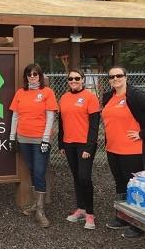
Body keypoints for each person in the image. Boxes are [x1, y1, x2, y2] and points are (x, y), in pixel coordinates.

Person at [100, 66, 145, 238]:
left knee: (136, 187)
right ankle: (123, 217)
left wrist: (142, 133)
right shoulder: (109, 97)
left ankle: (139, 225)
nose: (115, 79)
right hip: (113, 149)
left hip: (132, 150)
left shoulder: (135, 95)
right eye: (111, 77)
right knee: (120, 184)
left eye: (119, 75)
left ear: (126, 76)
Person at [8, 63, 58, 228]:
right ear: (26, 77)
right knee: (31, 170)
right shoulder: (20, 93)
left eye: (35, 74)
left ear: (40, 76)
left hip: (39, 140)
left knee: (39, 172)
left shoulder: (47, 92)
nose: (32, 76)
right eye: (29, 74)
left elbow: (50, 117)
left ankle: (40, 211)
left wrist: (45, 139)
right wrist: (12, 137)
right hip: (23, 139)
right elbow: (15, 116)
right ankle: (36, 204)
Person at [57, 68, 101, 230]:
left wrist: (89, 146)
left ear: (83, 80)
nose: (73, 81)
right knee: (76, 177)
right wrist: (61, 144)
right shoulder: (64, 97)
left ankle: (90, 213)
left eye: (77, 78)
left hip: (85, 145)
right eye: (70, 79)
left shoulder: (90, 97)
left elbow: (95, 125)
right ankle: (81, 209)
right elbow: (61, 123)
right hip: (69, 144)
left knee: (84, 177)